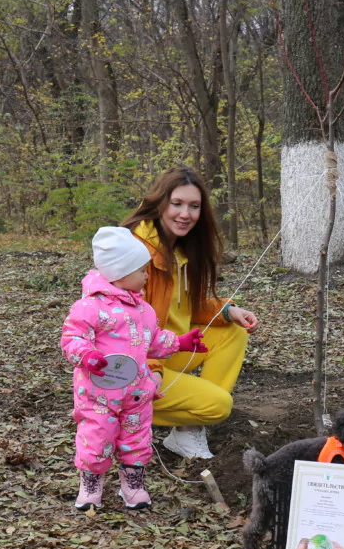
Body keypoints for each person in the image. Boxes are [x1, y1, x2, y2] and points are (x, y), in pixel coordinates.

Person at [61, 227, 207, 510]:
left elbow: (153, 341)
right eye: (141, 270)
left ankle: (133, 484)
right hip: (99, 394)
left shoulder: (144, 310)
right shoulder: (89, 307)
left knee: (137, 439)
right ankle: (91, 485)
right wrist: (86, 354)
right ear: (120, 272)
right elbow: (72, 337)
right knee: (96, 437)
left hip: (137, 392)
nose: (146, 275)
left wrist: (181, 343)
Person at [122, 167, 259, 459]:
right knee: (219, 406)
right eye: (177, 204)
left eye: (194, 206)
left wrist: (227, 310)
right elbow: (124, 329)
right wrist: (154, 371)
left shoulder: (180, 249)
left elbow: (189, 306)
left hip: (168, 349)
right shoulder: (136, 251)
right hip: (133, 367)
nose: (186, 214)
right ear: (160, 203)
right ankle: (125, 417)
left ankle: (187, 432)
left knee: (232, 331)